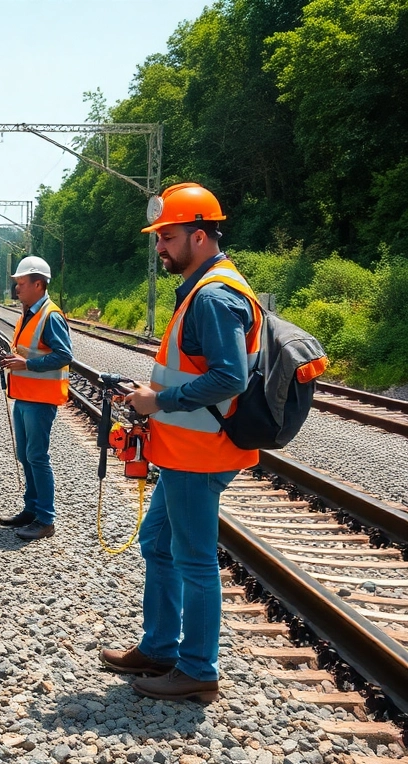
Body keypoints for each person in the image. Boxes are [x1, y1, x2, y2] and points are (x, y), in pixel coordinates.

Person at [100, 182, 262, 703]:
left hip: (202, 452)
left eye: (167, 237)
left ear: (198, 235)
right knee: (156, 544)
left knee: (194, 559)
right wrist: (151, 396)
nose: (160, 247)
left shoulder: (214, 296)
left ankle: (197, 670)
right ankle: (160, 647)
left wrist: (159, 403)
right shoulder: (203, 288)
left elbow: (230, 378)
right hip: (184, 452)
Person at [0, 256, 73, 541]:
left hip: (41, 399)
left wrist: (26, 365)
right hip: (25, 396)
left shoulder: (50, 315)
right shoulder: (29, 312)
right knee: (25, 455)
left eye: (22, 284)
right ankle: (31, 509)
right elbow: (25, 350)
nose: (17, 289)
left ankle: (45, 519)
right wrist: (8, 359)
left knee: (37, 457)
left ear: (38, 284)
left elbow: (64, 355)